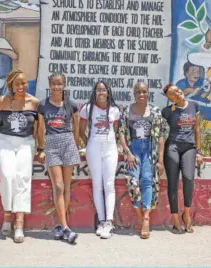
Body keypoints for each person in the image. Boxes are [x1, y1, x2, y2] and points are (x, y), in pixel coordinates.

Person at [0, 69, 39, 243]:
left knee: (23, 178)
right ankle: (7, 214)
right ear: (11, 84)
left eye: (24, 83)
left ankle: (19, 224)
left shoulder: (34, 103)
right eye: (17, 83)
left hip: (26, 142)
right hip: (5, 141)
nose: (21, 86)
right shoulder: (1, 102)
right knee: (7, 175)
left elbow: (37, 127)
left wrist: (39, 146)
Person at [118, 82, 166, 239]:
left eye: (144, 91)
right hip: (134, 149)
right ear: (134, 93)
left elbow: (160, 137)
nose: (141, 94)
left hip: (149, 150)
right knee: (132, 182)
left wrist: (160, 160)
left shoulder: (155, 111)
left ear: (148, 93)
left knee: (147, 181)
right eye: (138, 91)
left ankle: (145, 217)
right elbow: (122, 133)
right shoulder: (127, 110)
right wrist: (128, 153)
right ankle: (139, 213)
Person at [37, 73, 80, 244]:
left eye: (59, 84)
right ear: (49, 85)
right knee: (58, 186)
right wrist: (41, 149)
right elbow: (40, 128)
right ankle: (66, 228)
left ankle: (60, 225)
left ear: (64, 85)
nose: (56, 87)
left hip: (68, 143)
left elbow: (76, 126)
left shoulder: (71, 104)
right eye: (54, 84)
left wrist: (75, 146)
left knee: (67, 187)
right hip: (52, 145)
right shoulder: (43, 105)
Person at [79, 81, 120, 239]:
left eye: (103, 90)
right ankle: (101, 221)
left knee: (109, 185)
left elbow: (115, 132)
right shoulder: (87, 109)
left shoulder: (115, 110)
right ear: (94, 92)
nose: (101, 92)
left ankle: (109, 222)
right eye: (98, 90)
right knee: (97, 185)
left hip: (110, 149)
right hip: (93, 149)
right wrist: (89, 142)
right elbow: (81, 130)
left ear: (108, 92)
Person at [162, 84, 203, 234]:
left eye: (178, 90)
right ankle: (175, 221)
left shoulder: (194, 106)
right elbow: (159, 130)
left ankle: (186, 214)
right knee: (172, 183)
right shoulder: (166, 111)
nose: (177, 94)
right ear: (169, 99)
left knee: (188, 178)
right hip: (172, 146)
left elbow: (197, 130)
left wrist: (198, 151)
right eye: (173, 94)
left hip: (189, 148)